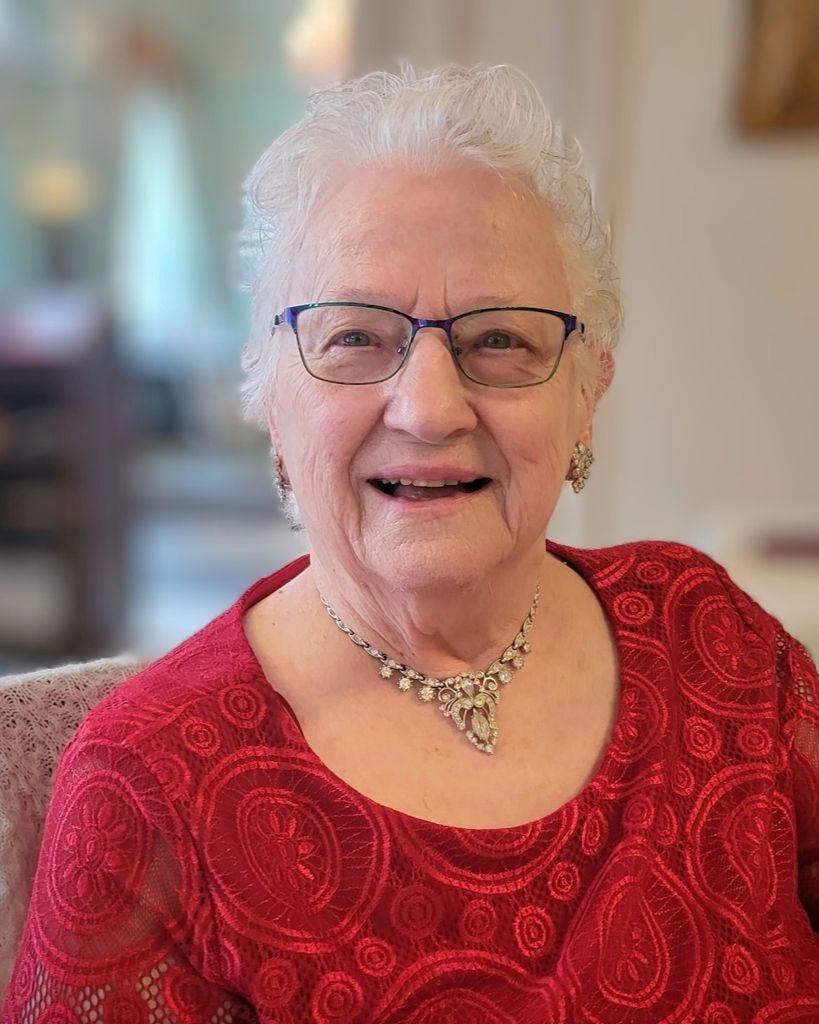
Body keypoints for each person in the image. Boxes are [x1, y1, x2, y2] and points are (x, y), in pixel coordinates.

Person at [3, 63, 819, 1024]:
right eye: (355, 337)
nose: (430, 410)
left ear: (587, 393)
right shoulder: (148, 783)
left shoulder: (709, 639)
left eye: (500, 340)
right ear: (271, 398)